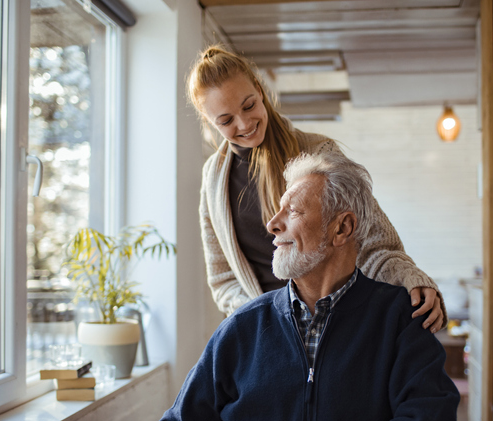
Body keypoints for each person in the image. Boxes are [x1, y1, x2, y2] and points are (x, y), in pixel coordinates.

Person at [157, 152, 460, 421]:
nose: (273, 224)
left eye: (294, 211)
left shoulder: (400, 321)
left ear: (342, 227)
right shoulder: (243, 326)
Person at [190, 45, 446, 332]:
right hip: (265, 335)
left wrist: (410, 278)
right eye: (225, 120)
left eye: (249, 105)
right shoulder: (213, 179)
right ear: (209, 122)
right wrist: (263, 318)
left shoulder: (319, 153)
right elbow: (223, 278)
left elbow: (372, 242)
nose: (244, 123)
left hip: (336, 327)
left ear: (260, 91)